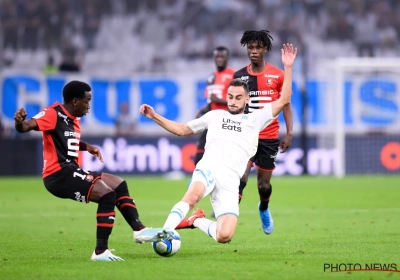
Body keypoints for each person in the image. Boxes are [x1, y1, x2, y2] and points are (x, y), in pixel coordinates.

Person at [134, 44, 297, 244]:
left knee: (224, 235)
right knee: (192, 196)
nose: (233, 101)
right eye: (230, 97)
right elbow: (182, 130)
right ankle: (165, 231)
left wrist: (288, 68)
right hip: (208, 168)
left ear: (247, 99)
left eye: (238, 98)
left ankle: (196, 221)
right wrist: (154, 116)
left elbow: (284, 99)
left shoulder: (256, 119)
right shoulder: (214, 115)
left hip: (230, 182)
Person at [13, 81, 170, 261]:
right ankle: (100, 251)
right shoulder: (52, 113)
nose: (89, 106)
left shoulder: (74, 118)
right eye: (87, 101)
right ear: (74, 101)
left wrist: (86, 146)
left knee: (118, 184)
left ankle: (139, 230)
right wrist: (19, 122)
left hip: (71, 170)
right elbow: (25, 127)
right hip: (57, 175)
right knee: (106, 195)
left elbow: (66, 139)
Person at [230, 30, 294, 235]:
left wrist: (289, 132)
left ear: (265, 48)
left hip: (269, 138)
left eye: (258, 47)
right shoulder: (239, 76)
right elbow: (233, 106)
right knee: (240, 179)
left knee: (264, 186)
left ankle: (264, 208)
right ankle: (229, 220)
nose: (254, 51)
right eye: (251, 47)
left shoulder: (277, 75)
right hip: (245, 136)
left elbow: (286, 105)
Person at [194, 46, 235, 165]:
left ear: (228, 58)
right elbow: (210, 101)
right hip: (211, 122)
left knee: (222, 161)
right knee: (199, 159)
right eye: (217, 56)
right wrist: (203, 109)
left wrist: (219, 100)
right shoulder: (211, 77)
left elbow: (240, 102)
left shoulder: (234, 75)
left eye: (223, 56)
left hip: (226, 124)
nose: (220, 59)